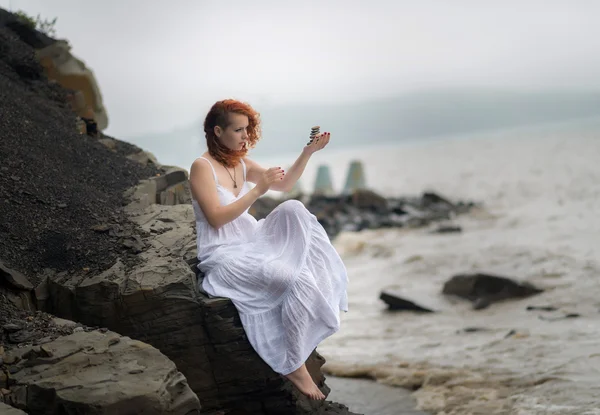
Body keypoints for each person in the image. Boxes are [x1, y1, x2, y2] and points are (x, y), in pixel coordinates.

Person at [189, 99, 348, 400]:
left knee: (293, 208)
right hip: (222, 252)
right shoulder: (202, 167)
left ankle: (305, 336)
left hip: (251, 239)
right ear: (217, 131)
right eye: (237, 130)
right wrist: (258, 190)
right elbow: (216, 218)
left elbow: (285, 184)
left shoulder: (241, 162)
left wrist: (308, 152)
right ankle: (292, 363)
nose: (244, 137)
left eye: (247, 130)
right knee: (289, 279)